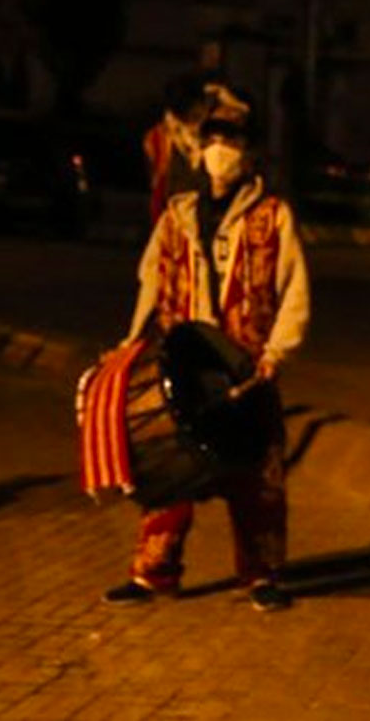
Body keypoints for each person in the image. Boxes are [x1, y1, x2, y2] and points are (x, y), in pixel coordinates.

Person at [104, 84, 311, 613]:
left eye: (232, 139)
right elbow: (151, 278)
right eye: (213, 138)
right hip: (185, 362)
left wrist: (277, 352)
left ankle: (261, 574)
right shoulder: (177, 214)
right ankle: (155, 573)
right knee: (170, 469)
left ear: (250, 150)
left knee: (257, 475)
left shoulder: (273, 216)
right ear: (198, 148)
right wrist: (132, 339)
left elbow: (295, 290)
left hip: (246, 365)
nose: (222, 148)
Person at [143, 72, 211, 222]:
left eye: (197, 115)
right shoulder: (158, 138)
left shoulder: (216, 129)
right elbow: (158, 184)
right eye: (191, 117)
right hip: (174, 216)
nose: (195, 124)